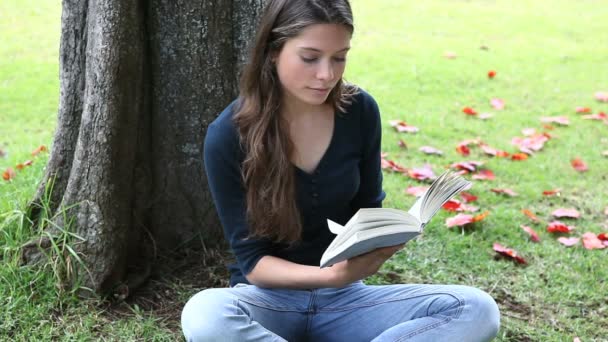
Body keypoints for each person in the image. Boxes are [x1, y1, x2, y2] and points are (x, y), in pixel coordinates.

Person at [181, 0, 501, 341]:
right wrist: (330, 277)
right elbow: (254, 264)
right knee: (205, 314)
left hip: (348, 301)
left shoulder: (359, 111)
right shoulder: (228, 134)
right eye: (310, 57)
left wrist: (385, 241)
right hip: (268, 301)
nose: (327, 75)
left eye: (339, 57)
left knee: (477, 309)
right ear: (273, 51)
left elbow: (368, 213)